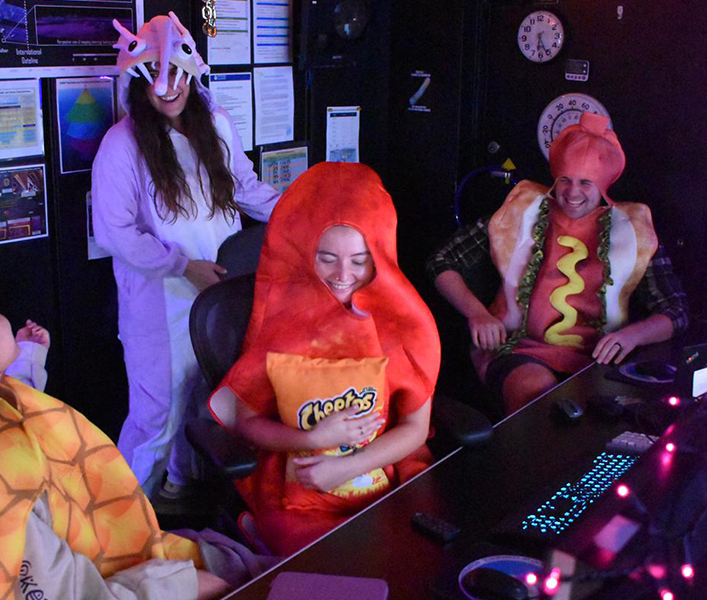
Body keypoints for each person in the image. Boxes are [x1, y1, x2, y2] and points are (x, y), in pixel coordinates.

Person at [0, 236, 280, 600]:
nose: (4, 317)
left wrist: (29, 358)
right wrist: (182, 585)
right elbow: (60, 590)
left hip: (119, 543)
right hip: (126, 578)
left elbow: (16, 408)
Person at [91, 12, 280, 501]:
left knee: (209, 397)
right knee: (157, 413)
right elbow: (114, 233)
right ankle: (122, 520)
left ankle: (180, 489)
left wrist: (301, 208)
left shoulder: (215, 122)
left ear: (190, 72)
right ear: (139, 84)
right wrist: (181, 266)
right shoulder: (122, 145)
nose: (167, 88)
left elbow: (243, 187)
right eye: (155, 79)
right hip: (160, 301)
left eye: (176, 74)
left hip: (220, 288)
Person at [208, 162, 441, 556]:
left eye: (359, 259)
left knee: (410, 559)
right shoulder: (286, 320)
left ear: (380, 255)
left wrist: (350, 466)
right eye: (327, 257)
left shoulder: (407, 324)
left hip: (385, 469)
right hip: (295, 480)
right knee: (327, 568)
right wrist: (312, 439)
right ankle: (263, 533)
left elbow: (416, 427)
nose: (342, 275)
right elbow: (247, 422)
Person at [427, 113, 688, 415]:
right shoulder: (523, 214)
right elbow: (441, 261)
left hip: (599, 361)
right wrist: (477, 314)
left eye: (586, 183)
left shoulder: (632, 232)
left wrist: (632, 335)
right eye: (565, 180)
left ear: (602, 187)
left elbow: (676, 311)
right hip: (518, 350)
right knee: (544, 403)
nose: (572, 192)